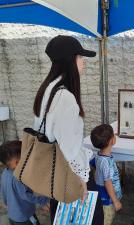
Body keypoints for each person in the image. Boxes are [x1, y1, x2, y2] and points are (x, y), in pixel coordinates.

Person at [32, 35, 96, 224]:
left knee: (59, 217)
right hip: (67, 174)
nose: (83, 63)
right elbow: (69, 150)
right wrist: (82, 181)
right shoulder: (66, 97)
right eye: (80, 57)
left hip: (53, 172)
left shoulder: (48, 88)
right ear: (70, 60)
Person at [0, 141, 49, 225]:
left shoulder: (5, 173)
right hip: (24, 217)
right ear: (17, 162)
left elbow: (3, 192)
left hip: (13, 215)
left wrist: (6, 202)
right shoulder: (18, 178)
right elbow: (27, 195)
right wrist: (43, 201)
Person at [90, 124, 122, 225]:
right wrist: (115, 201)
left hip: (102, 194)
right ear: (112, 140)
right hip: (107, 199)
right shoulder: (106, 162)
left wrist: (97, 176)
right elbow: (107, 182)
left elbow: (91, 164)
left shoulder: (99, 156)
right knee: (106, 220)